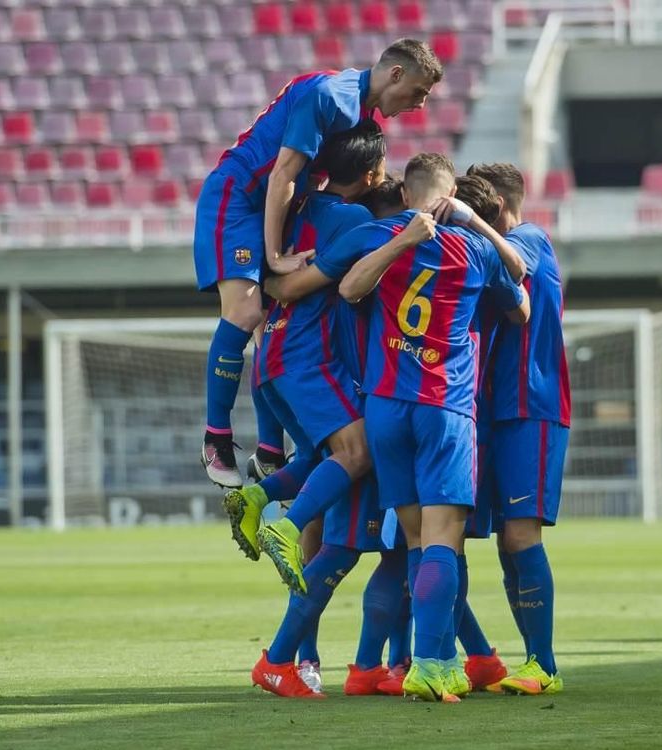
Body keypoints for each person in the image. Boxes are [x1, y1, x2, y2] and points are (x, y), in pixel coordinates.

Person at [197, 39, 443, 490]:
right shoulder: (330, 96)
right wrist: (275, 255)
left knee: (267, 325)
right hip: (240, 199)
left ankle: (270, 450)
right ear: (395, 75)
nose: (420, 104)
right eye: (419, 91)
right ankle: (216, 437)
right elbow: (281, 175)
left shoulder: (358, 113)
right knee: (247, 313)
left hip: (276, 205)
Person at [339, 153, 529, 702]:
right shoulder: (472, 248)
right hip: (444, 406)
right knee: (445, 539)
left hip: (385, 408)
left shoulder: (382, 234)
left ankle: (441, 658)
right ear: (453, 195)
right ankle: (427, 663)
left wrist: (398, 242)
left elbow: (349, 288)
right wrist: (480, 226)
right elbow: (519, 297)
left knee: (417, 539)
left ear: (406, 195)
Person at [224, 121, 397, 591]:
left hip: (269, 358)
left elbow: (268, 277)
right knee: (357, 451)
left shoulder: (290, 210)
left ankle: (301, 656)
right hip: (308, 359)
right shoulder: (356, 222)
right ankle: (283, 520)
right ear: (369, 173)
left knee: (325, 462)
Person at [467, 162, 571, 696]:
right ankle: (530, 661)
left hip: (531, 403)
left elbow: (513, 269)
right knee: (505, 542)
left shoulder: (529, 237)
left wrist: (470, 221)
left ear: (501, 209)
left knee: (519, 534)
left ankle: (544, 664)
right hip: (496, 409)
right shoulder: (493, 250)